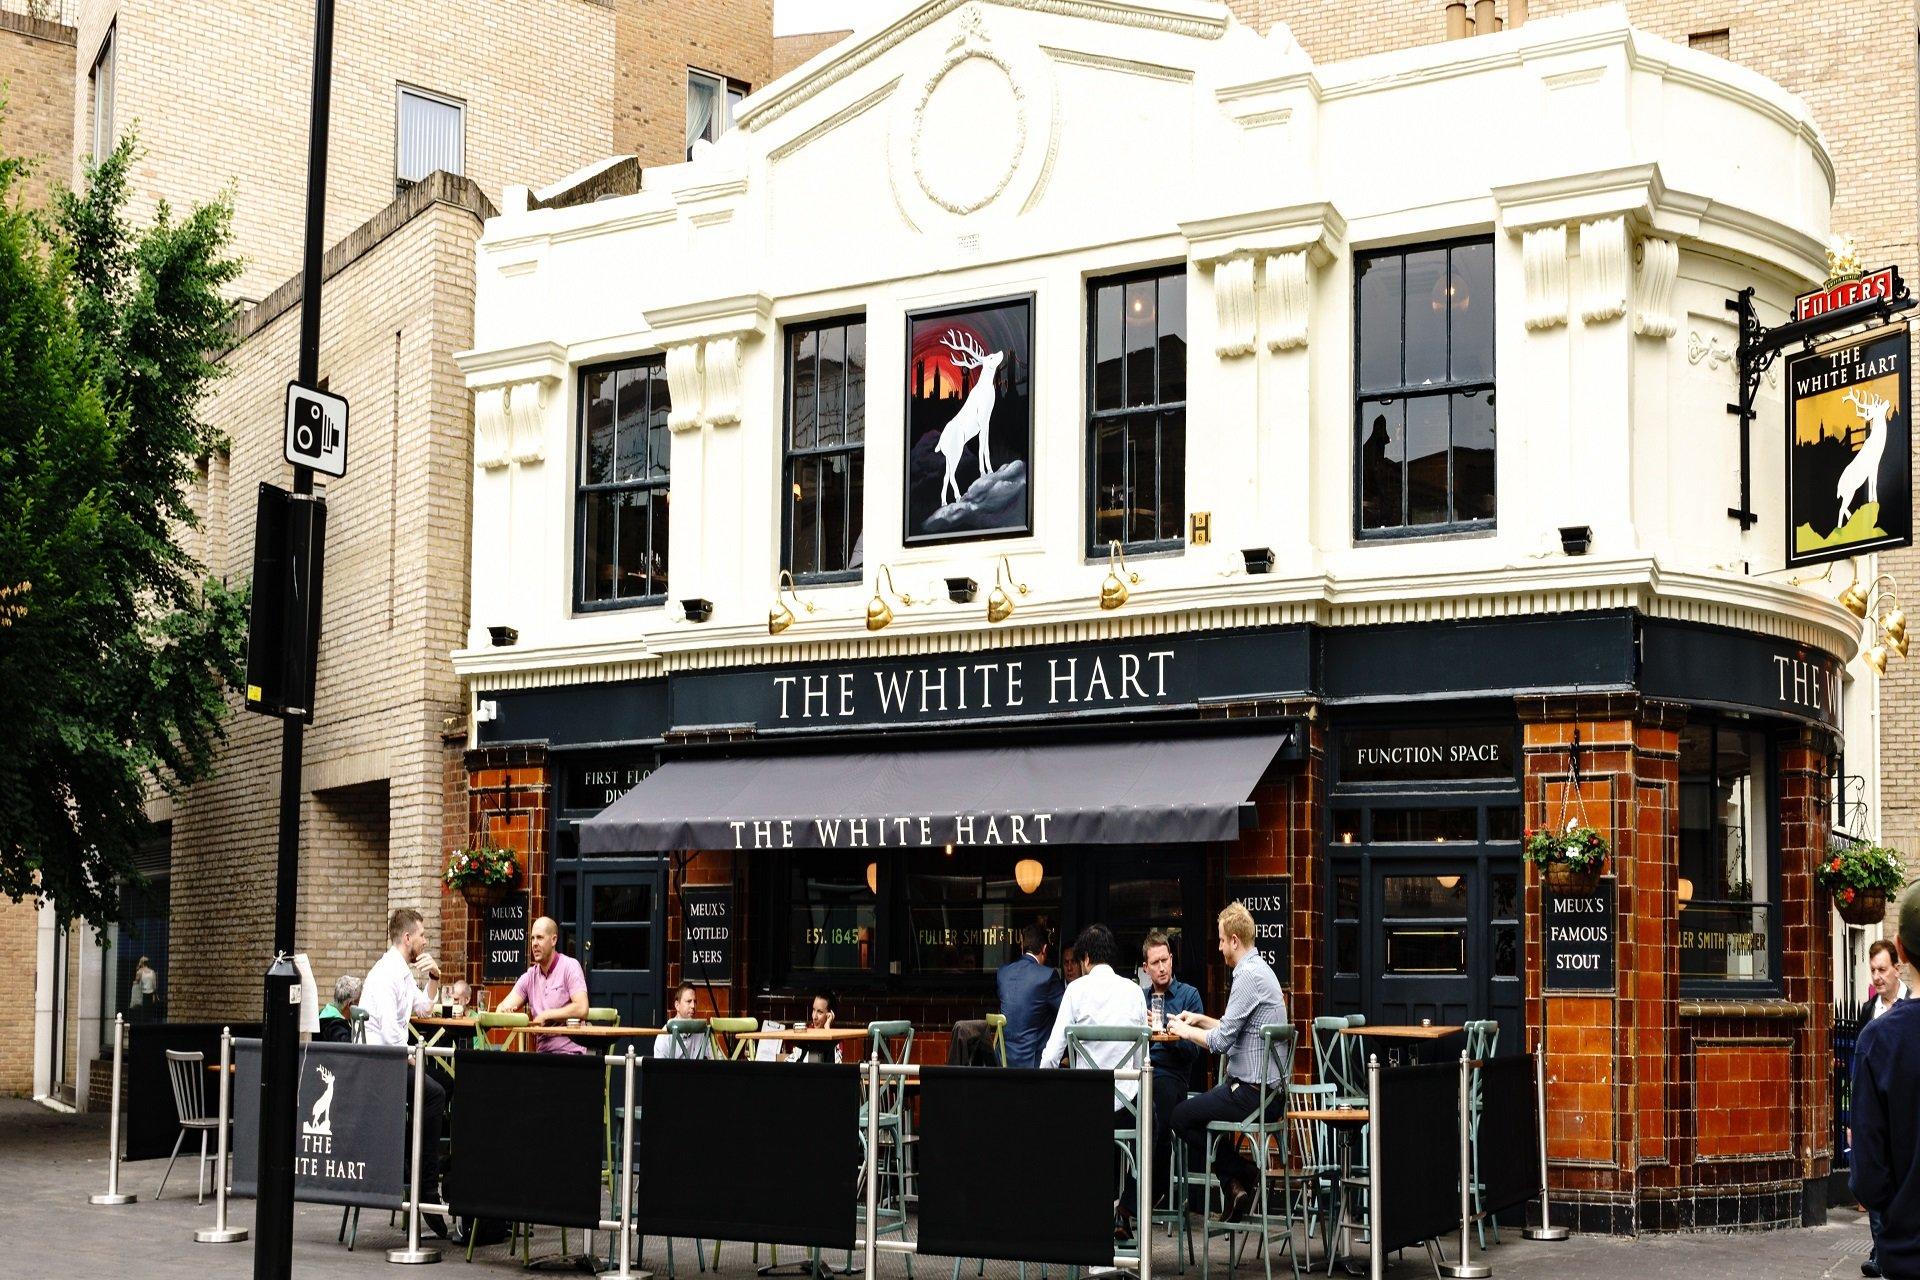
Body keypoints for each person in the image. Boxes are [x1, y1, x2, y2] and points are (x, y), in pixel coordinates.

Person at [1166, 902, 1290, 1223]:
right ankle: (1234, 1180)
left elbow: (1221, 1042)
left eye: (1222, 940)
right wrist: (1199, 1019)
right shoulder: (1261, 970)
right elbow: (1230, 1027)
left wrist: (1181, 1030)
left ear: (1235, 940)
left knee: (1180, 1117)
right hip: (1268, 1094)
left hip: (1251, 1094)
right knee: (1198, 1116)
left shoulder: (1246, 976)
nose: (1219, 947)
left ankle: (1240, 1172)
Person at [1040, 924, 1148, 1230]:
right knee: (1151, 1125)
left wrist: (1037, 1085)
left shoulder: (1075, 990)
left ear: (1086, 959)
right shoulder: (1134, 991)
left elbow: (1051, 1054)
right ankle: (1124, 1207)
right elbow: (1143, 1059)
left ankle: (1071, 1214)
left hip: (1086, 1111)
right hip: (1128, 1112)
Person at [361, 908, 449, 1238]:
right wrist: (410, 1056)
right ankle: (425, 1187)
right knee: (435, 1092)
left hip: (394, 1060)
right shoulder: (385, 973)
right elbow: (385, 1029)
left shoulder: (402, 973)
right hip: (380, 1066)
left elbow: (423, 1008)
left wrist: (434, 979)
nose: (426, 942)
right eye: (423, 936)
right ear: (407, 938)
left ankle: (420, 1165)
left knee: (447, 1085)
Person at [1856, 905, 1920, 1280]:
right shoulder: (1873, 1025)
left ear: (1903, 952)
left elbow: (1867, 1176)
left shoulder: (1879, 1041)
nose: (1878, 977)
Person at [1141, 930, 1203, 1206]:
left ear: (1172, 959)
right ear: (1146, 968)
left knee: (1159, 1108)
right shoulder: (1138, 1000)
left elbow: (1193, 1052)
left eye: (1165, 960)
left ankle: (1150, 1192)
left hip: (1172, 1076)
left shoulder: (1189, 996)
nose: (1162, 967)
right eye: (1155, 963)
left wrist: (1168, 1032)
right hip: (1141, 1072)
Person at [496, 917, 591, 1054]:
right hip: (542, 1056)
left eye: (540, 938)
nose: (534, 943)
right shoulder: (530, 976)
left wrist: (547, 1015)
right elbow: (501, 1009)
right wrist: (506, 1012)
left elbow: (582, 1008)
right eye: (532, 938)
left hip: (571, 1055)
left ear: (553, 940)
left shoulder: (570, 966)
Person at [997, 922, 1064, 1069]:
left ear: (1022, 947)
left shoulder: (1003, 973)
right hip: (1034, 1066)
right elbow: (1066, 1013)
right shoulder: (1047, 976)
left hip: (1003, 1061)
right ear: (1044, 948)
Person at [656, 982, 709, 1059]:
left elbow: (716, 1060)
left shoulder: (702, 1032)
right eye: (688, 1001)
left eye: (695, 1002)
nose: (693, 1006)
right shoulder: (664, 1035)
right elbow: (658, 1068)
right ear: (677, 1005)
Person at [1862, 939, 1908, 1025]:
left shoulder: (1915, 1004)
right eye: (1873, 970)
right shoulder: (1867, 1009)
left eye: (1881, 970)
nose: (1875, 977)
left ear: (1897, 970)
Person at [789, 990, 843, 1063]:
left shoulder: (836, 1040)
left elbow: (835, 1066)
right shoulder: (805, 1034)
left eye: (820, 1012)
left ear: (830, 1015)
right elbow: (791, 1061)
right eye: (814, 1010)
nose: (814, 1017)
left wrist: (827, 1028)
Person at [318, 974, 362, 1043]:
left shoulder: (322, 1014)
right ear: (350, 1005)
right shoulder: (335, 1028)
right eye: (359, 1003)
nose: (360, 1006)